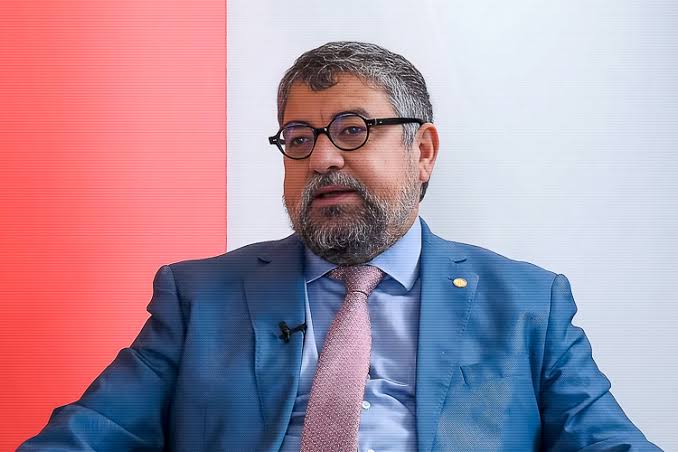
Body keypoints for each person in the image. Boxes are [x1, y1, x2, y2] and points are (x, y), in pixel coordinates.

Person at [20, 41, 660, 452]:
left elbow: (607, 442)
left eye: (353, 130)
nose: (323, 157)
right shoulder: (199, 296)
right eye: (299, 138)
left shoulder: (527, 302)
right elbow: (92, 433)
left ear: (422, 151)